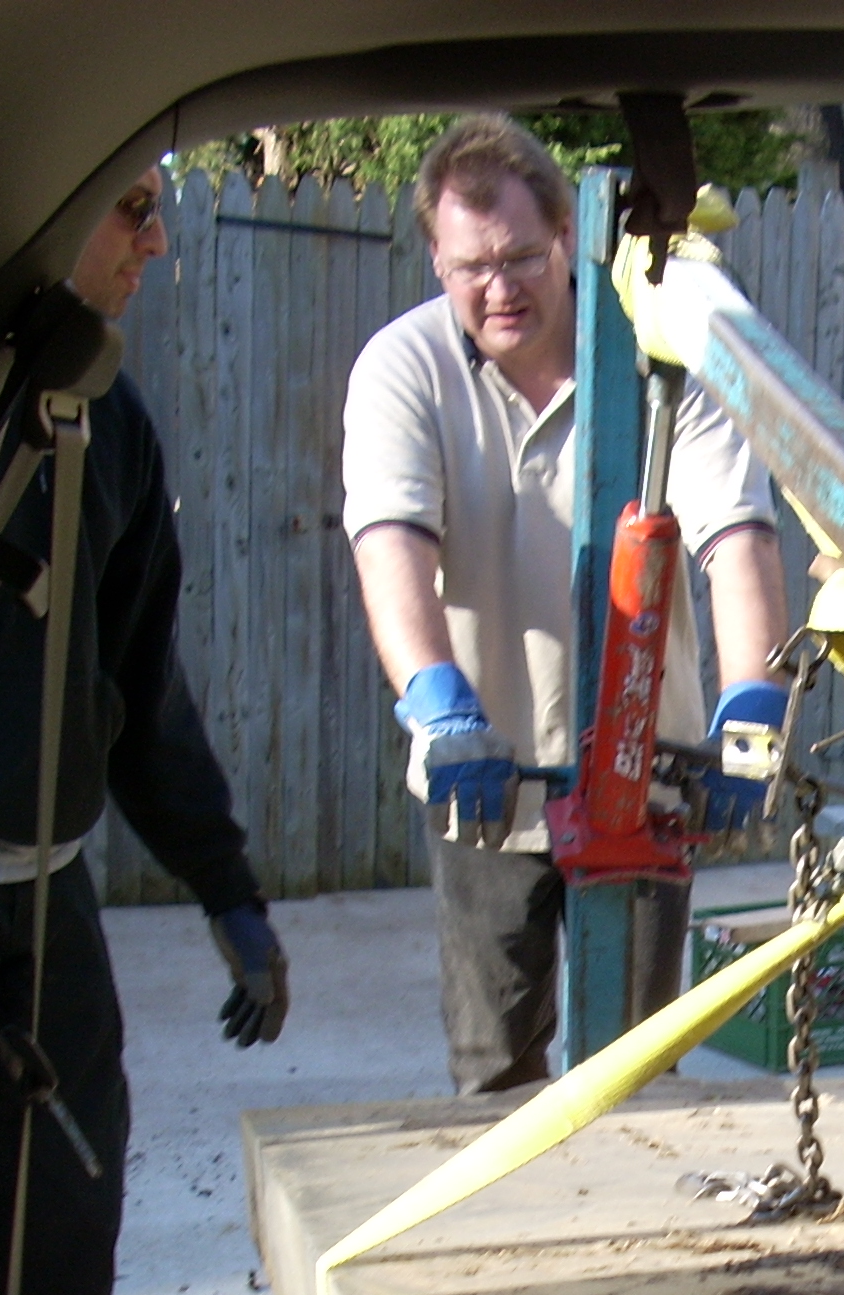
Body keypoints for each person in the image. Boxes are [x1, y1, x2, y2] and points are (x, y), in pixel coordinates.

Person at [0, 164, 290, 1295]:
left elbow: (138, 690)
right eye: (129, 204)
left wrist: (228, 892)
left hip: (46, 905)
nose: (156, 239)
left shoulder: (109, 428)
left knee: (61, 1250)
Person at [340, 115, 793, 1092]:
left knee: (636, 1075)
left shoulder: (664, 355)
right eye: (470, 267)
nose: (497, 288)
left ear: (565, 236)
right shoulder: (402, 368)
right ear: (435, 259)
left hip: (647, 778)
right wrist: (438, 705)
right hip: (485, 787)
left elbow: (738, 539)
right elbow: (391, 548)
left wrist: (753, 708)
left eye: (518, 257)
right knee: (493, 1073)